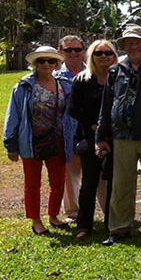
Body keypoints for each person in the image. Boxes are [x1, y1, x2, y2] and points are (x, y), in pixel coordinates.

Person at [97, 25, 141, 245]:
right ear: (124, 47)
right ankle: (119, 228)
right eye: (129, 43)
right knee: (121, 183)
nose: (134, 46)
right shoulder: (116, 69)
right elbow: (107, 103)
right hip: (122, 136)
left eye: (138, 42)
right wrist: (100, 136)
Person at [4, 46, 78, 236]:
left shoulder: (64, 84)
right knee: (33, 183)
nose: (46, 64)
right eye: (42, 61)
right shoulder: (24, 86)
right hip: (31, 140)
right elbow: (13, 115)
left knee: (58, 181)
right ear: (35, 64)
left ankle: (53, 216)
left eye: (51, 61)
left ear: (57, 64)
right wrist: (10, 143)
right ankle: (36, 221)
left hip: (58, 140)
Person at [68, 40, 117, 240]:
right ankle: (84, 225)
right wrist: (94, 127)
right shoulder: (82, 79)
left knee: (115, 181)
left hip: (116, 137)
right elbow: (73, 109)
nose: (104, 56)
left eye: (108, 52)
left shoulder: (120, 78)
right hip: (90, 136)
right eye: (99, 53)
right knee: (89, 182)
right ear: (92, 56)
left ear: (114, 56)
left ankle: (113, 224)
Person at [56, 35, 85, 223]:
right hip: (66, 131)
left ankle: (107, 211)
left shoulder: (93, 72)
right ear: (61, 52)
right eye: (68, 50)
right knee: (70, 173)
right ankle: (73, 211)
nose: (73, 53)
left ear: (83, 52)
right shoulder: (55, 77)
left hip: (89, 129)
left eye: (77, 49)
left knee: (98, 174)